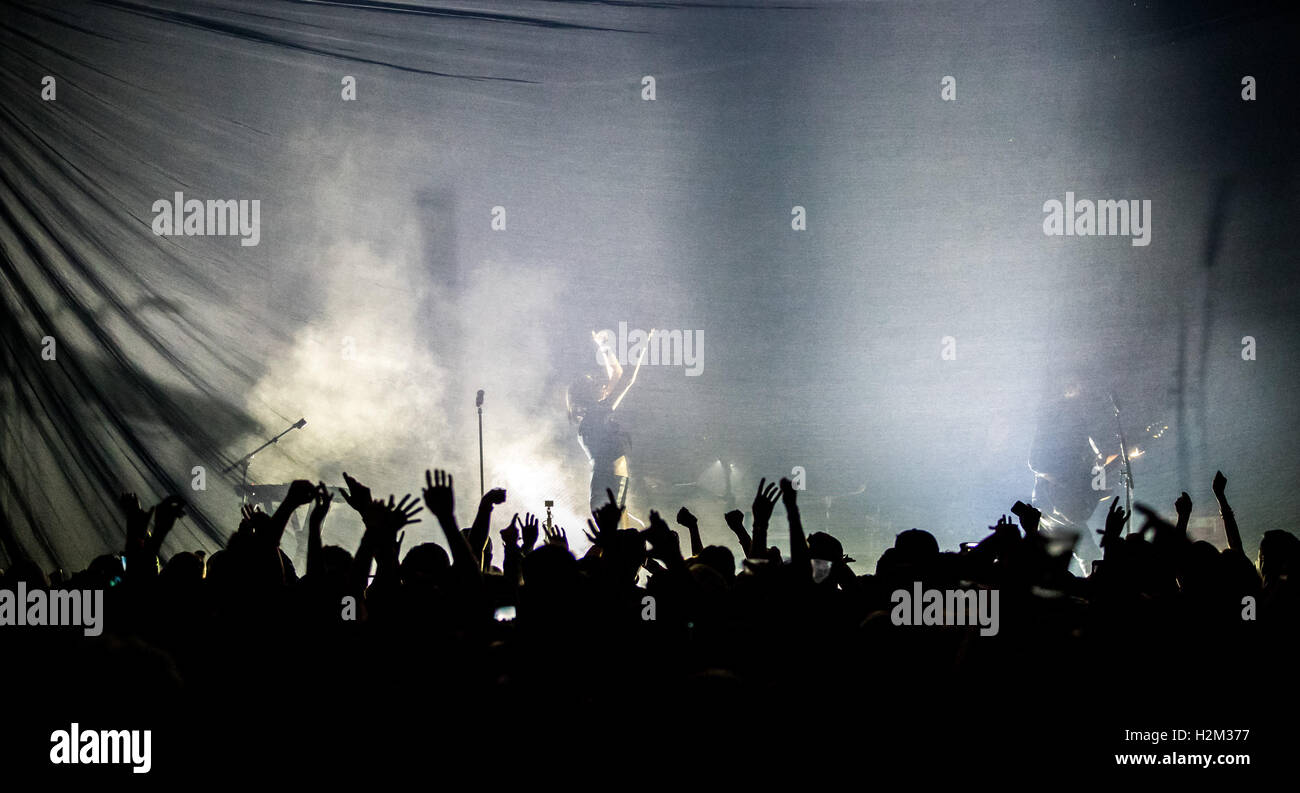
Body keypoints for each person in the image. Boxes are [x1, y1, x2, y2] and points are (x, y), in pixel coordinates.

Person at [567, 329, 653, 521]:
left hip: (610, 483)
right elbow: (626, 379)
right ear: (589, 394)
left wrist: (604, 346)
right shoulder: (597, 415)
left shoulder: (594, 415)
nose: (603, 385)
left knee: (621, 537)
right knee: (618, 540)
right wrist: (643, 345)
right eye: (596, 385)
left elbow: (617, 373)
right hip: (609, 484)